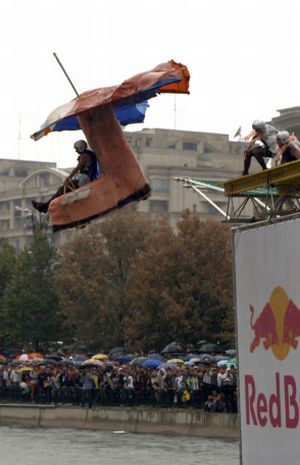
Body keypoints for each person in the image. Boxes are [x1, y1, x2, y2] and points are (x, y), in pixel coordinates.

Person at [32, 140, 99, 213]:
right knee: (63, 190)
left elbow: (78, 168)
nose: (76, 151)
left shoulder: (85, 155)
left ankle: (45, 207)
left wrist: (68, 178)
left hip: (83, 178)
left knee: (62, 189)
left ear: (80, 147)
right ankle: (45, 206)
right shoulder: (88, 154)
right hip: (83, 178)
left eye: (76, 149)